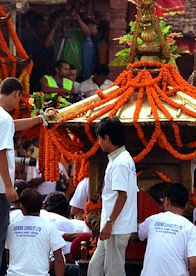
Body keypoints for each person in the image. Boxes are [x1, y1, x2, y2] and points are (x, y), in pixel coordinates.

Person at [0, 77, 53, 276]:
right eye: (19, 99)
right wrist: (9, 187)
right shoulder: (1, 117)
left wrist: (38, 119)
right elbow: (0, 153)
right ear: (16, 93)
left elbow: (12, 125)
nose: (18, 103)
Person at [87, 117, 137, 276]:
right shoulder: (119, 159)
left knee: (113, 271)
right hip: (111, 226)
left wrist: (109, 222)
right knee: (94, 269)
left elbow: (122, 196)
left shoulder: (121, 162)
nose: (99, 142)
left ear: (107, 138)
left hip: (115, 227)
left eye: (99, 138)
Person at [138, 183, 196, 276]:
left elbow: (140, 233)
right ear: (186, 205)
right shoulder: (190, 228)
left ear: (166, 201)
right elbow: (194, 263)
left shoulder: (153, 220)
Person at [5, 188, 66, 276]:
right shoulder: (49, 227)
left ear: (22, 208)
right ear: (42, 206)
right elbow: (59, 260)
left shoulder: (11, 228)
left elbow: (8, 257)